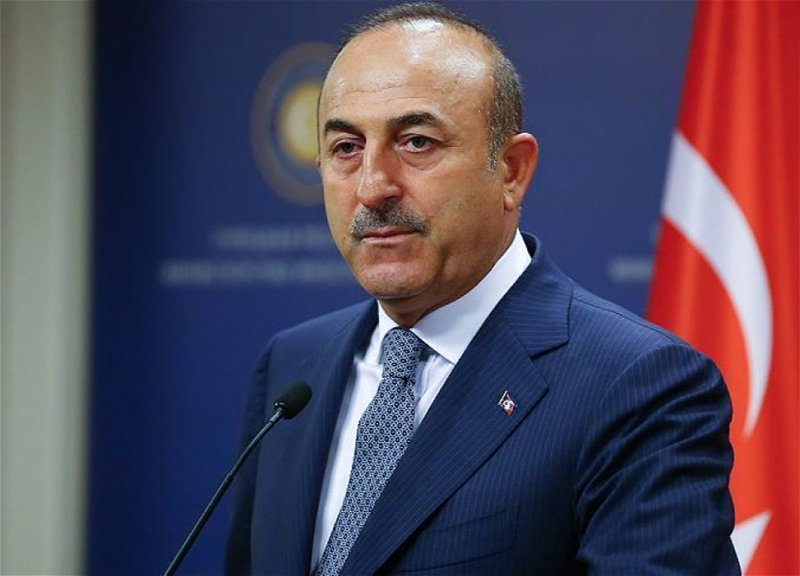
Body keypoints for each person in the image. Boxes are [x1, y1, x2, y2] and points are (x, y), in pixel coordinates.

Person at [226, 3, 739, 575]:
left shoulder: (639, 386)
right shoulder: (293, 367)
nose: (372, 187)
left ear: (512, 170)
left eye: (416, 142)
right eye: (347, 148)